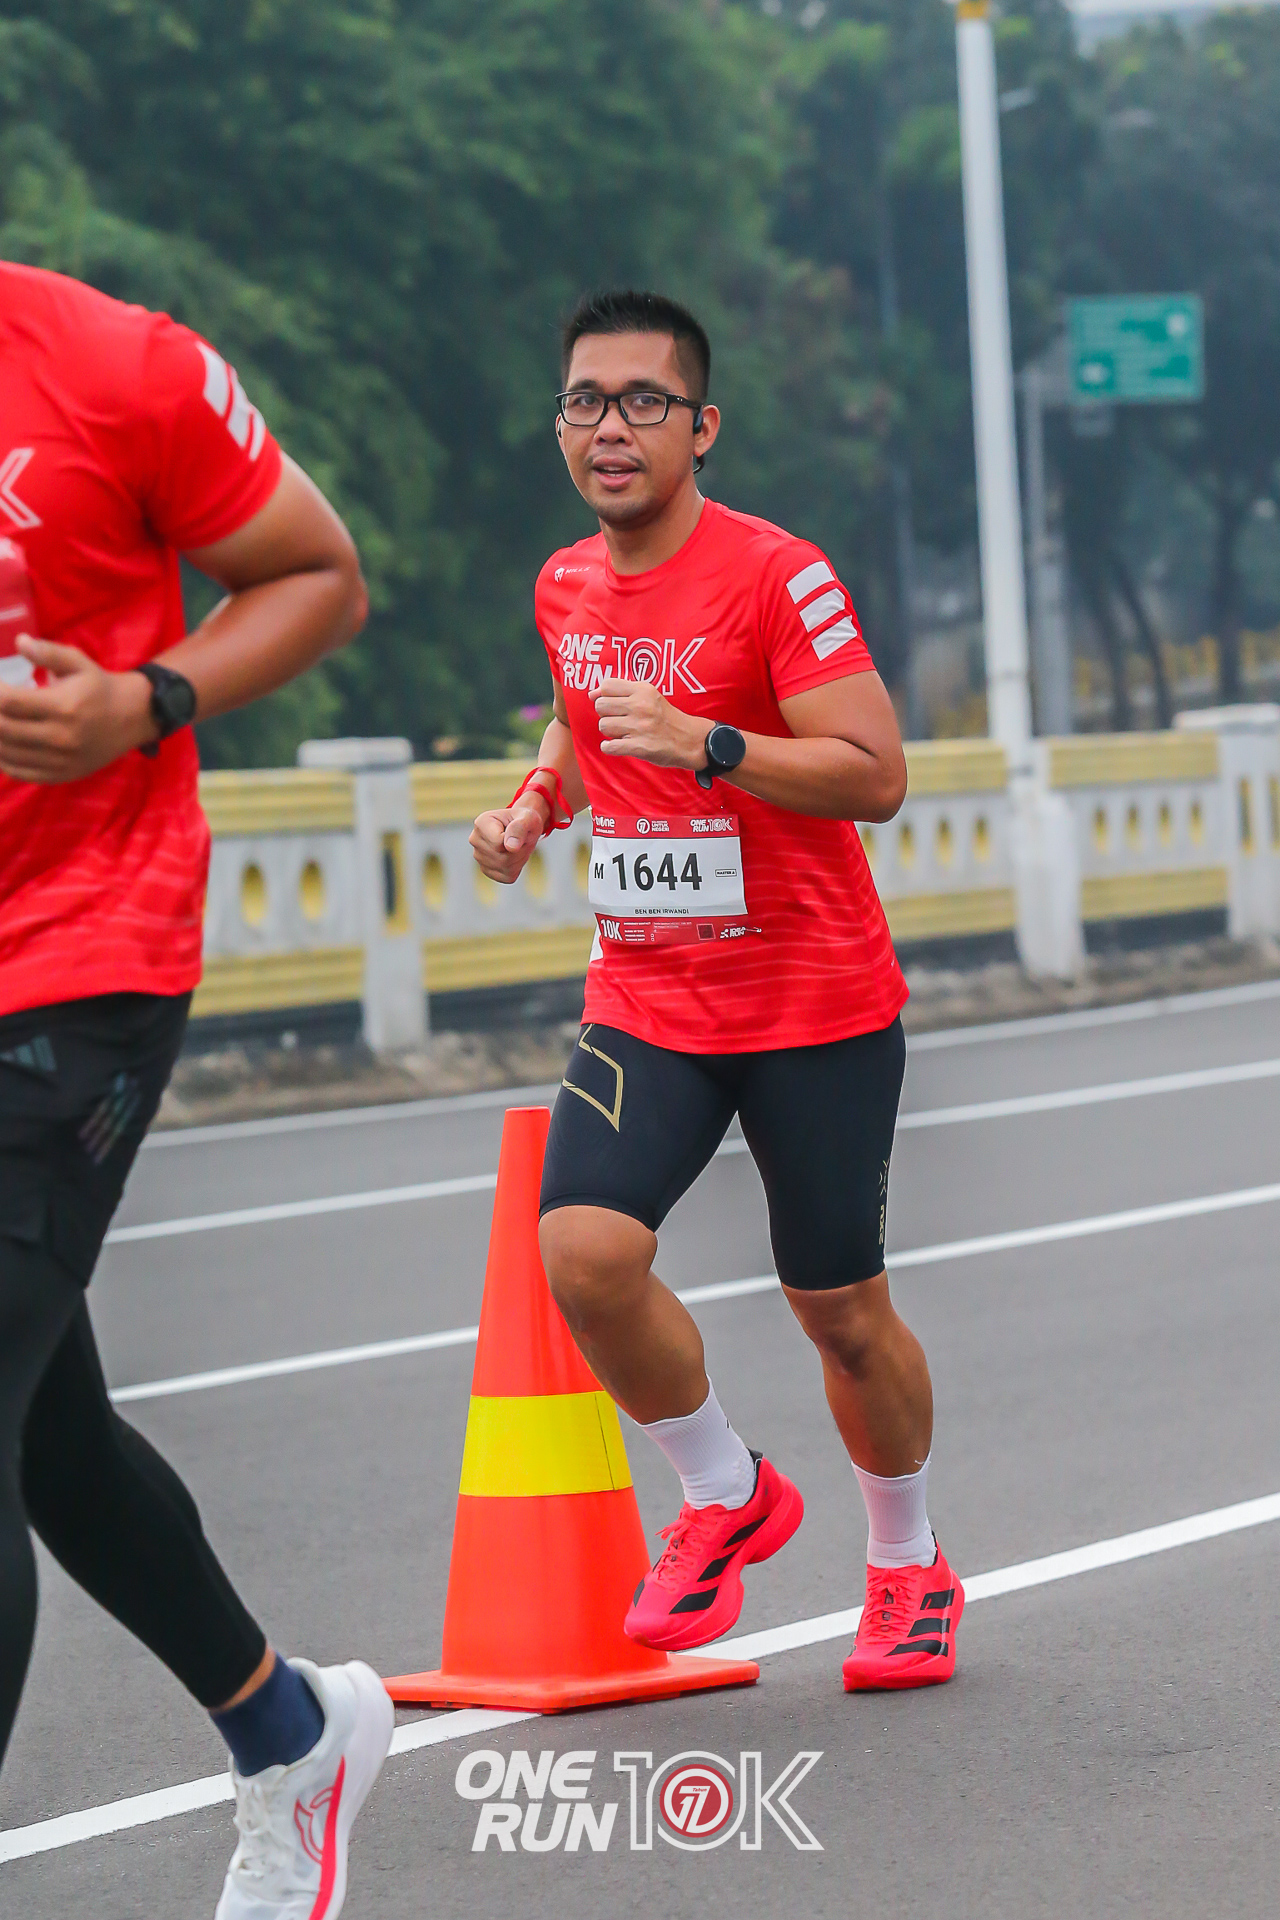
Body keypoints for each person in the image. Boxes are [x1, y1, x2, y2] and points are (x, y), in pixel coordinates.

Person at [471, 289, 963, 1692]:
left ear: (703, 427)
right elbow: (580, 715)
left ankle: (908, 1563)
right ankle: (724, 1489)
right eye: (585, 401)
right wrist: (534, 802)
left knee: (840, 1311)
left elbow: (875, 773)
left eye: (644, 402)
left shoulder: (777, 577)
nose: (610, 428)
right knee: (584, 1255)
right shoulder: (566, 583)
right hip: (649, 995)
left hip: (814, 1003)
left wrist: (711, 743)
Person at [0, 262, 392, 1916]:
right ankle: (294, 1738)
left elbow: (318, 573)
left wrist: (149, 700)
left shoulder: (113, 367)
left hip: (76, 952)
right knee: (47, 1436)